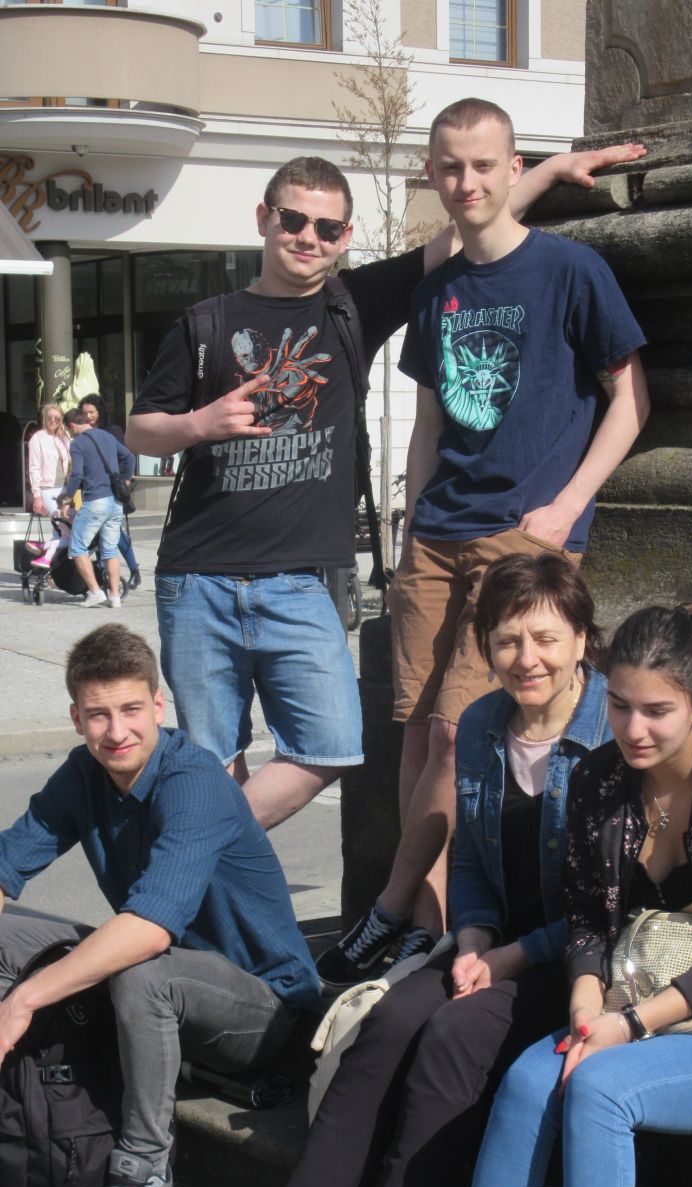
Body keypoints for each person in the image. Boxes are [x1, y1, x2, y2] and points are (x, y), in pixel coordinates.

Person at [124, 142, 644, 833]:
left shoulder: (352, 305)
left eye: (327, 228)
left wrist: (545, 171)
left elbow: (470, 224)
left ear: (345, 238)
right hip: (198, 577)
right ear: (264, 219)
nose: (308, 238)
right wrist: (199, 423)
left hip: (300, 580)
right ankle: (209, 886)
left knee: (331, 746)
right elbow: (140, 431)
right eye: (293, 220)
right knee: (216, 764)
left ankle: (183, 850)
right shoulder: (207, 322)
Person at [194, 552, 611, 1187]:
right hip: (492, 945)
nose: (527, 657)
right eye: (507, 639)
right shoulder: (484, 724)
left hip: (577, 961)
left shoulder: (607, 738)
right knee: (386, 1024)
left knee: (453, 1037)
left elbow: (606, 906)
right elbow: (474, 857)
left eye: (546, 639)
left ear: (582, 640)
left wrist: (510, 956)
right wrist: (476, 931)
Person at [318, 98, 650, 989]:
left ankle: (391, 908)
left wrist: (566, 507)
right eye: (451, 167)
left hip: (520, 537)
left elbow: (630, 400)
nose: (467, 182)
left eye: (484, 165)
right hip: (436, 535)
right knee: (416, 739)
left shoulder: (571, 271)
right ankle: (430, 929)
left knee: (458, 736)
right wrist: (409, 531)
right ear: (433, 174)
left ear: (513, 170)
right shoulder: (438, 289)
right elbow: (429, 422)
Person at [470, 604, 692, 1187]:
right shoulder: (599, 779)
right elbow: (586, 913)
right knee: (525, 1083)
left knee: (600, 1090)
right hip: (634, 993)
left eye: (657, 711)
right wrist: (585, 1001)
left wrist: (628, 1025)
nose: (633, 729)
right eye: (620, 705)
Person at [0, 625, 319, 1187]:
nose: (116, 731)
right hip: (164, 978)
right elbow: (7, 864)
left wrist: (23, 999)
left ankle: (144, 1177)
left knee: (142, 971)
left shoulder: (192, 782)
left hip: (263, 1008)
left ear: (157, 705)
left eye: (130, 710)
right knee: (13, 934)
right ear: (76, 717)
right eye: (98, 715)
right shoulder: (84, 773)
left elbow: (148, 931)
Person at [62, 408, 133, 608]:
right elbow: (129, 457)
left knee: (77, 547)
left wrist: (68, 498)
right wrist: (126, 480)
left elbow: (76, 474)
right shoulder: (107, 436)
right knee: (110, 549)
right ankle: (115, 596)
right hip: (115, 503)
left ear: (72, 425)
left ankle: (95, 592)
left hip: (95, 501)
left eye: (69, 430)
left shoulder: (77, 443)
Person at [79, 393, 142, 590]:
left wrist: (125, 481)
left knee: (114, 531)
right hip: (92, 489)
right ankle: (103, 572)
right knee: (100, 532)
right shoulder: (83, 433)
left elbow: (126, 457)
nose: (88, 416)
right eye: (84, 413)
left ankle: (134, 569)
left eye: (91, 412)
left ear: (100, 411)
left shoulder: (112, 431)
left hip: (111, 489)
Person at [27, 403, 70, 519]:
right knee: (59, 520)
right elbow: (34, 468)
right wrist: (37, 496)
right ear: (44, 418)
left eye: (57, 418)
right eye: (49, 417)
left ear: (61, 420)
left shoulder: (64, 438)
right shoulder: (37, 439)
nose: (52, 420)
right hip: (48, 489)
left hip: (65, 487)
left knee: (66, 523)